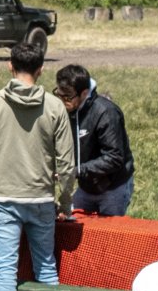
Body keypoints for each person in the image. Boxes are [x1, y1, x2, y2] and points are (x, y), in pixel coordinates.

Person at [0, 38, 76, 291]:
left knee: (5, 270)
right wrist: (65, 202)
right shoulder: (55, 106)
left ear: (10, 66)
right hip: (41, 200)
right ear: (41, 69)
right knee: (46, 265)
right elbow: (67, 165)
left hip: (3, 200)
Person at [55, 63, 134, 216]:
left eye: (67, 96)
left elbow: (114, 158)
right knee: (74, 221)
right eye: (59, 95)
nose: (62, 101)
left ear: (84, 93)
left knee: (110, 230)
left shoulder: (106, 113)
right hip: (86, 185)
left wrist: (77, 171)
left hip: (113, 187)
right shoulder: (68, 110)